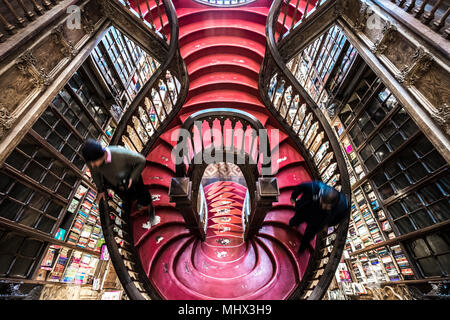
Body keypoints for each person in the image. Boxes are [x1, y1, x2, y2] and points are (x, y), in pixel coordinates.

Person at [81, 139, 158, 227]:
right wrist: (100, 189)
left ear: (101, 156)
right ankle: (139, 203)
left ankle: (149, 206)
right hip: (118, 184)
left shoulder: (119, 153)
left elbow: (141, 160)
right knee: (130, 196)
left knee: (142, 192)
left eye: (94, 162)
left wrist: (133, 177)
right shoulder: (92, 162)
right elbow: (94, 174)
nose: (92, 165)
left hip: (131, 177)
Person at [289, 181, 350, 254]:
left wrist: (327, 224)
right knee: (296, 219)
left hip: (317, 223)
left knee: (308, 237)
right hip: (305, 210)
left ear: (331, 205)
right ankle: (292, 224)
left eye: (326, 206)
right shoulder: (317, 187)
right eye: (323, 203)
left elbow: (341, 217)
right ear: (320, 195)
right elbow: (302, 186)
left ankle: (301, 250)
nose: (323, 206)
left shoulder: (342, 205)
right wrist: (293, 197)